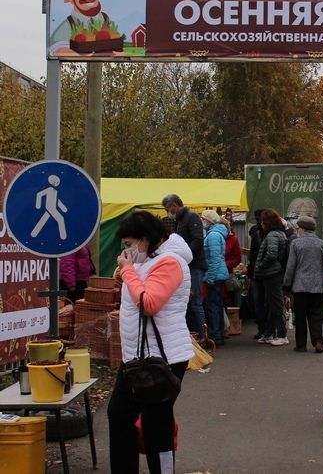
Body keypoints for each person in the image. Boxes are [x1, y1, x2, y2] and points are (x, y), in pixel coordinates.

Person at [107, 211, 194, 474]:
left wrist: (129, 272)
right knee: (119, 414)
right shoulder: (149, 260)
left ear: (145, 239)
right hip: (136, 357)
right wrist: (127, 273)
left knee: (157, 426)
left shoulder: (170, 262)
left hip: (161, 359)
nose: (127, 250)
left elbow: (149, 303)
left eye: (129, 243)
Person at [282, 215, 323, 353]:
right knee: (316, 314)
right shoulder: (322, 243)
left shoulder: (296, 243)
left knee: (300, 316)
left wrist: (287, 284)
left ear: (302, 228)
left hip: (299, 286)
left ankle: (301, 345)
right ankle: (318, 341)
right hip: (318, 286)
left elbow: (290, 267)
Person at [162, 194, 207, 338]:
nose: (167, 212)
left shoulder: (191, 217)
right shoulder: (179, 220)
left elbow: (198, 240)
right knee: (187, 301)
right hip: (187, 266)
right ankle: (191, 336)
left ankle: (202, 337)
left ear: (174, 205)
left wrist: (184, 256)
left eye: (168, 208)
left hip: (194, 266)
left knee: (195, 301)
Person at [253, 208, 289, 346]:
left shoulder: (272, 235)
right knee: (273, 304)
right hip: (274, 273)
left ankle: (281, 334)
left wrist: (261, 266)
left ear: (267, 222)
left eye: (262, 221)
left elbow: (272, 254)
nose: (261, 223)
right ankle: (269, 333)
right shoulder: (279, 233)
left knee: (275, 305)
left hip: (271, 274)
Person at [201, 210, 229, 347]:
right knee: (217, 305)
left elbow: (215, 259)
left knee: (212, 306)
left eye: (203, 219)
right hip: (219, 274)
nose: (202, 222)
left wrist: (209, 277)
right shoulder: (218, 234)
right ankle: (218, 335)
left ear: (209, 221)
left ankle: (215, 336)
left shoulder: (212, 236)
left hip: (215, 275)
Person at [244, 209, 265, 325]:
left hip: (260, 271)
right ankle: (263, 327)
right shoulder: (258, 232)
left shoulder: (263, 233)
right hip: (258, 270)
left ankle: (264, 327)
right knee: (260, 300)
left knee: (260, 300)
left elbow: (255, 254)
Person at [220, 217, 242, 307]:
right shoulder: (213, 237)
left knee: (227, 299)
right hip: (215, 273)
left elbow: (238, 258)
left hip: (227, 273)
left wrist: (225, 264)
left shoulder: (233, 239)